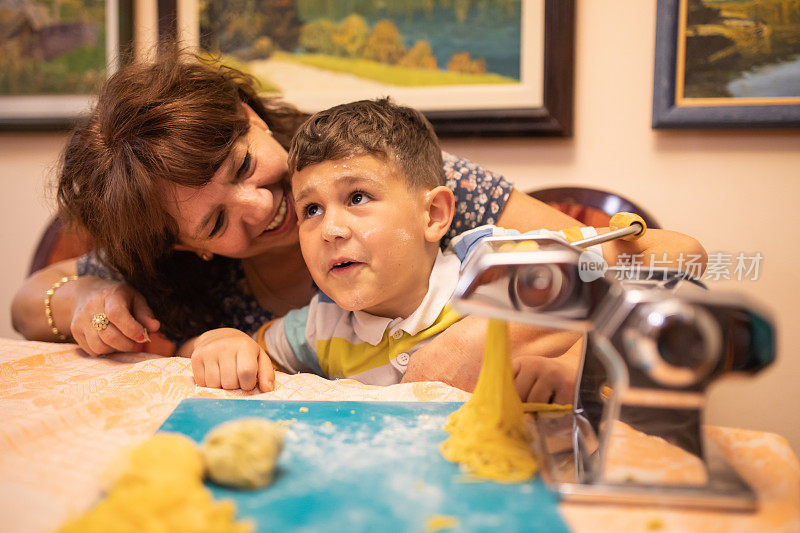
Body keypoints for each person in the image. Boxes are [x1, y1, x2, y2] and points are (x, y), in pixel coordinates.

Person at [10, 50, 706, 394]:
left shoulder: (386, 175)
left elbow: (636, 266)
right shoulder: (248, 307)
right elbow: (28, 299)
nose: (263, 206)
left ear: (251, 115)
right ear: (184, 246)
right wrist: (81, 300)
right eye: (216, 220)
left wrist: (520, 350)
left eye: (242, 162)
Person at [189, 98, 601, 402]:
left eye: (357, 198)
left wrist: (568, 369)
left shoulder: (488, 270)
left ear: (434, 213)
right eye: (311, 209)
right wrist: (223, 341)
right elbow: (249, 351)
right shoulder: (318, 329)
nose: (330, 229)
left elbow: (607, 284)